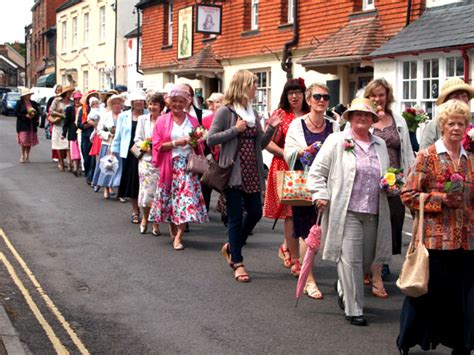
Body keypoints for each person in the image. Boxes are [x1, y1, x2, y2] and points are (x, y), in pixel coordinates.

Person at [397, 100, 473, 354]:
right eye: (451, 123)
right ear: (442, 125)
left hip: (466, 240)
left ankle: (461, 344)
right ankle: (407, 340)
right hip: (436, 240)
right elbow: (407, 194)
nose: (456, 128)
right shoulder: (427, 156)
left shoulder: (470, 160)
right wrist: (440, 199)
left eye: (461, 124)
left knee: (463, 299)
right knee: (425, 296)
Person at [308, 98, 392, 326]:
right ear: (350, 118)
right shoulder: (337, 141)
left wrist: (392, 183)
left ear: (373, 119)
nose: (362, 118)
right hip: (347, 211)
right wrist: (320, 194)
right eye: (357, 114)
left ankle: (343, 286)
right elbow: (316, 173)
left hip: (374, 211)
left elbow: (389, 174)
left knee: (366, 260)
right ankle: (354, 309)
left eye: (367, 115)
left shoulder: (380, 145)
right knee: (351, 260)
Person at [207, 70, 283, 282]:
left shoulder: (253, 113)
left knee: (256, 212)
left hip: (252, 171)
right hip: (233, 172)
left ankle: (232, 246)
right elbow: (210, 139)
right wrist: (235, 130)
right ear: (242, 86)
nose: (255, 88)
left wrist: (270, 129)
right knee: (234, 217)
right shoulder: (225, 111)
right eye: (253, 84)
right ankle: (238, 262)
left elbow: (260, 144)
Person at [284, 82, 339, 296]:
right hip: (303, 185)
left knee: (321, 230)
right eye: (317, 97)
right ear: (309, 100)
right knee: (307, 230)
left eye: (325, 97)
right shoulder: (297, 125)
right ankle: (309, 278)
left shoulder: (333, 125)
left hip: (326, 185)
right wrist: (303, 151)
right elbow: (289, 152)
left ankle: (308, 270)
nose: (322, 101)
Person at [363, 78, 415, 292]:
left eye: (381, 95)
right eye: (374, 95)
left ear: (387, 96)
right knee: (372, 223)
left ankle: (382, 261)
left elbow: (407, 149)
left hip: (396, 180)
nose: (378, 99)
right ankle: (369, 265)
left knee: (394, 221)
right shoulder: (363, 117)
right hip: (371, 180)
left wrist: (411, 178)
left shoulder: (398, 119)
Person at [151, 84, 209, 251]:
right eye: (174, 101)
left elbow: (199, 142)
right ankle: (172, 226)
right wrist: (178, 142)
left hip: (187, 167)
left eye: (181, 101)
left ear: (186, 102)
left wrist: (195, 141)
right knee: (170, 200)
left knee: (186, 200)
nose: (177, 104)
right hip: (170, 165)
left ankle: (179, 236)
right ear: (169, 102)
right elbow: (157, 146)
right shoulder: (162, 121)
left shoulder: (192, 121)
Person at [263, 78, 310, 276]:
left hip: (307, 168)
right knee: (290, 213)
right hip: (285, 166)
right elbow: (267, 143)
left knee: (305, 213)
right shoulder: (280, 114)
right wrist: (287, 153)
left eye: (298, 92)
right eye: (291, 93)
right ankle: (295, 257)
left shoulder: (310, 115)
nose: (294, 96)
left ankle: (287, 248)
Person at [111, 91, 146, 224]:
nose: (139, 102)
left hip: (145, 151)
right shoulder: (123, 116)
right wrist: (113, 152)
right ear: (131, 102)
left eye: (141, 100)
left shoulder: (149, 114)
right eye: (137, 100)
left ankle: (147, 212)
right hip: (130, 153)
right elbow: (118, 136)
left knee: (146, 183)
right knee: (133, 183)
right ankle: (136, 211)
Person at [134, 92, 165, 236]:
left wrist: (158, 146)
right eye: (150, 104)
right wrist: (145, 145)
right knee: (146, 193)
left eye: (155, 104)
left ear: (161, 106)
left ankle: (156, 223)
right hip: (146, 161)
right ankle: (145, 218)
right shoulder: (142, 119)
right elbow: (137, 139)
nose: (152, 107)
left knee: (158, 194)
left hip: (161, 161)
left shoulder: (165, 119)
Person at [420, 77, 474, 150]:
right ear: (446, 101)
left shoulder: (471, 122)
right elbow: (425, 155)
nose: (461, 100)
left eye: (464, 96)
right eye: (456, 96)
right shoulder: (434, 125)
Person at [91, 94, 124, 199]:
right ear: (111, 105)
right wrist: (108, 135)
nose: (117, 106)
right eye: (114, 103)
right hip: (108, 144)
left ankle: (120, 191)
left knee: (119, 168)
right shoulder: (106, 115)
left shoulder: (124, 115)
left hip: (120, 146)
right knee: (108, 166)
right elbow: (99, 130)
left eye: (119, 103)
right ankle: (106, 187)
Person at [49, 85, 74, 171]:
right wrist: (60, 115)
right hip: (59, 124)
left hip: (68, 126)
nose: (70, 94)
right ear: (65, 93)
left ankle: (69, 163)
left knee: (68, 145)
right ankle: (61, 162)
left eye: (71, 92)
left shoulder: (72, 102)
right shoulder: (57, 101)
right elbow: (51, 111)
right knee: (59, 145)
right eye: (69, 92)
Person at [77, 90, 100, 184]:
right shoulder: (83, 110)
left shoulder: (100, 109)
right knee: (86, 158)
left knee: (93, 158)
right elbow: (79, 124)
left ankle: (91, 177)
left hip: (96, 136)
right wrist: (91, 124)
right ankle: (88, 174)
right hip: (86, 136)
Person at [15, 88, 40, 163]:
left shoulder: (34, 103)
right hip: (23, 124)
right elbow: (16, 113)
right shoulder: (19, 103)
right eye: (27, 95)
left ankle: (27, 155)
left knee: (29, 140)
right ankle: (22, 154)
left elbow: (38, 113)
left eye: (30, 94)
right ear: (24, 96)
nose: (29, 96)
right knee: (24, 140)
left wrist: (34, 116)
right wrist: (25, 116)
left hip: (31, 124)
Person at [62, 92, 83, 176]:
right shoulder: (69, 109)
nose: (77, 101)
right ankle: (75, 168)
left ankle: (80, 167)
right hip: (72, 131)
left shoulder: (84, 109)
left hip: (82, 131)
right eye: (76, 99)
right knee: (74, 149)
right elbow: (66, 122)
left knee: (81, 149)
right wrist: (63, 133)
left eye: (79, 99)